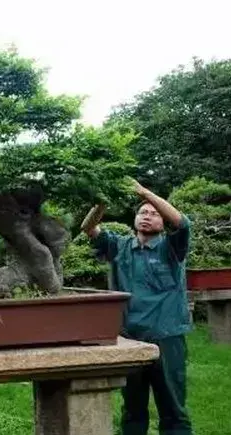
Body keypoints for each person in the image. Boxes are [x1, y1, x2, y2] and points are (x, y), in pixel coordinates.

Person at [81, 179, 192, 435]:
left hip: (167, 337)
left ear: (163, 223)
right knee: (132, 410)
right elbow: (88, 227)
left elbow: (182, 223)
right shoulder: (119, 246)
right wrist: (103, 199)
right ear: (134, 218)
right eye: (143, 212)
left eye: (154, 213)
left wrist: (144, 193)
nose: (147, 216)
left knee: (174, 410)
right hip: (130, 339)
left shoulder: (171, 248)